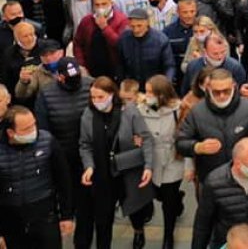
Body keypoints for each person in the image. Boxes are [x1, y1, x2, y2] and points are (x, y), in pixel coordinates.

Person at [78, 76, 155, 249]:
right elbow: (85, 144)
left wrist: (148, 166)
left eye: (101, 97)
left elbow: (146, 139)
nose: (96, 101)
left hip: (127, 171)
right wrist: (89, 165)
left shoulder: (129, 112)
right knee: (103, 219)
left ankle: (138, 230)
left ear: (112, 94)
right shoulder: (88, 115)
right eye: (93, 97)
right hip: (102, 174)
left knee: (134, 208)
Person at [176, 68, 248, 184]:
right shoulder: (196, 112)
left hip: (245, 176)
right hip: (210, 179)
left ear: (234, 86)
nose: (221, 95)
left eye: (226, 91)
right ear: (208, 89)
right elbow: (180, 142)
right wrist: (197, 147)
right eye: (216, 92)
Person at [0, 105, 74, 249]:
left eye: (34, 125)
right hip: (11, 221)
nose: (33, 131)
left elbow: (63, 180)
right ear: (10, 132)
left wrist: (67, 215)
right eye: (26, 129)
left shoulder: (47, 141)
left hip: (45, 216)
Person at [138, 74, 190, 249]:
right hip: (150, 161)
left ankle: (168, 236)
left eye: (151, 92)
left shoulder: (179, 109)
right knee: (157, 194)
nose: (147, 96)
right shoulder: (141, 109)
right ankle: (177, 199)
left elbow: (185, 137)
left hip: (171, 161)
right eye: (146, 91)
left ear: (163, 94)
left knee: (168, 203)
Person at [73, 0, 129, 79]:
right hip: (92, 70)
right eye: (97, 5)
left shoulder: (122, 20)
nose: (100, 8)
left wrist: (105, 28)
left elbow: (120, 45)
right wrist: (81, 64)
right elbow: (78, 43)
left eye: (104, 4)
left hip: (114, 71)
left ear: (111, 3)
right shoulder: (86, 21)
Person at [117, 7, 176, 84]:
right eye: (132, 26)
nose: (136, 30)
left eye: (139, 26)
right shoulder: (124, 38)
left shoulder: (160, 40)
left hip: (155, 85)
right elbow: (120, 65)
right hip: (132, 86)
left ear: (147, 23)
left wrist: (166, 84)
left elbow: (169, 66)